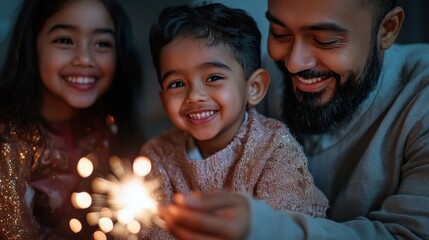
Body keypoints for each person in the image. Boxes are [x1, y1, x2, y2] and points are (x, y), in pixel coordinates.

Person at [159, 0, 429, 239]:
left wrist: (270, 230)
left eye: (325, 40)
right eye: (280, 33)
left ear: (387, 29)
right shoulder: (254, 81)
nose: (294, 65)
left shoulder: (421, 100)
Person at [140, 2, 328, 239]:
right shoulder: (157, 157)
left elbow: (287, 228)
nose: (194, 96)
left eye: (214, 77)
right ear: (163, 98)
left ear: (254, 88)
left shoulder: (274, 149)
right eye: (176, 84)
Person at [0, 0, 142, 239]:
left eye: (102, 43)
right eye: (65, 40)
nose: (85, 59)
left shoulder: (110, 128)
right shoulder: (9, 139)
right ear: (31, 45)